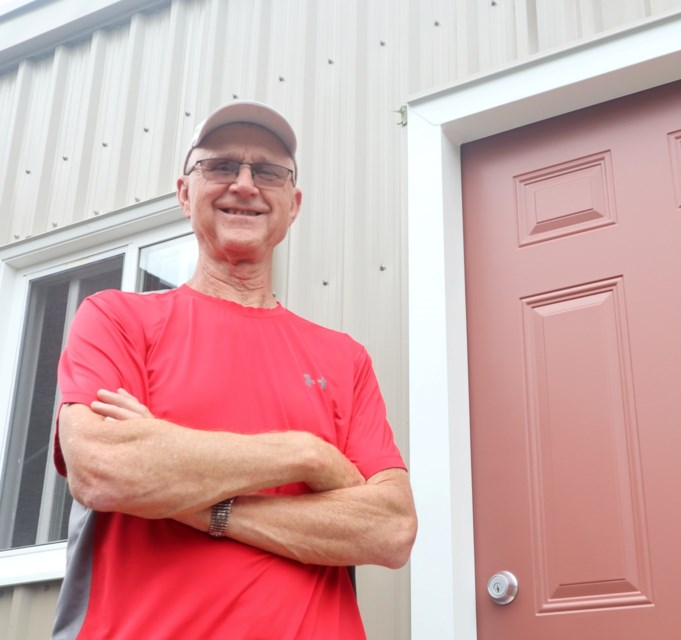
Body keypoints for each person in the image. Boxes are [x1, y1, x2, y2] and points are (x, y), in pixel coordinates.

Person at [52, 101, 417, 639]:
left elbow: (390, 528)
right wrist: (309, 453)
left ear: (292, 205)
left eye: (267, 171)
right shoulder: (117, 319)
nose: (244, 185)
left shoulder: (345, 359)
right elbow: (104, 468)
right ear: (184, 193)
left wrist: (186, 494)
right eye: (222, 166)